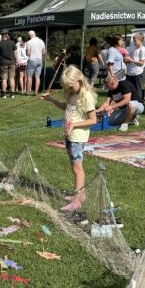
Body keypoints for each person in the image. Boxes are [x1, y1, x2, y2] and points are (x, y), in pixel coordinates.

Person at [41, 65, 97, 212]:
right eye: (67, 88)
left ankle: (77, 200)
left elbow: (93, 120)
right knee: (74, 166)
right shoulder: (73, 95)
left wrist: (74, 125)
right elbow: (66, 107)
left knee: (78, 169)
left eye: (70, 87)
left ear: (79, 80)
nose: (69, 90)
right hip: (70, 136)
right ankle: (81, 194)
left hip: (78, 137)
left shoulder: (86, 96)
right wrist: (51, 99)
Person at [125, 33, 145, 98]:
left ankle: (139, 103)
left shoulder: (143, 49)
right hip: (129, 72)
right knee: (129, 90)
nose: (134, 42)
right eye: (133, 40)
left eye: (135, 41)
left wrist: (131, 60)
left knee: (137, 90)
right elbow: (131, 59)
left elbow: (141, 63)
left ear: (140, 40)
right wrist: (127, 60)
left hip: (137, 73)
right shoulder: (133, 48)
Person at [0, 30, 17, 99]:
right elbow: (15, 53)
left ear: (2, 35)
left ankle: (4, 94)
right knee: (12, 78)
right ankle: (12, 94)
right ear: (8, 35)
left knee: (4, 79)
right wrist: (16, 61)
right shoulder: (12, 42)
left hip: (3, 63)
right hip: (12, 62)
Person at [25, 29, 46, 95]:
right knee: (37, 77)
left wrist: (26, 52)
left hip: (32, 60)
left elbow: (28, 53)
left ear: (29, 35)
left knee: (29, 76)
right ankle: (36, 92)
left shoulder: (29, 42)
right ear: (34, 34)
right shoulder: (41, 41)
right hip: (39, 60)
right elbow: (44, 52)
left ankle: (28, 92)